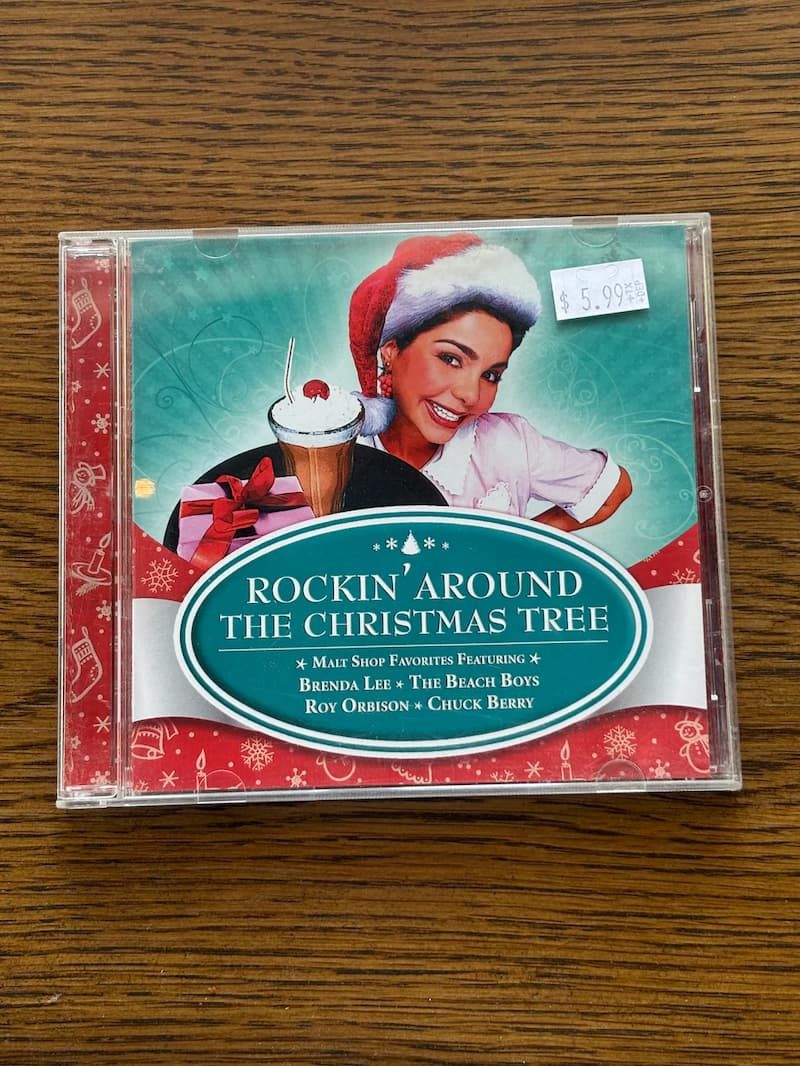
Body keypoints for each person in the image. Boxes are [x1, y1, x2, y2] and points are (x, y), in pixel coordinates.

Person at [349, 232, 631, 531]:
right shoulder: (335, 447)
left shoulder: (507, 445)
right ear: (391, 351)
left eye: (491, 375)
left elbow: (611, 490)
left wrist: (517, 542)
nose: (470, 395)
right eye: (451, 359)